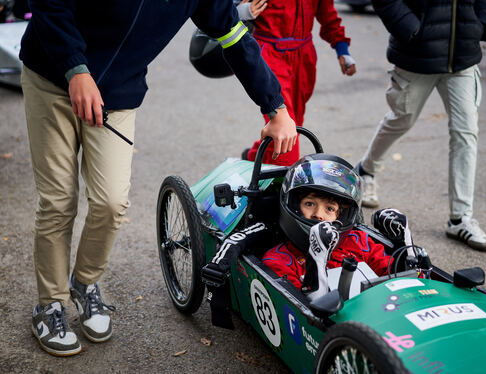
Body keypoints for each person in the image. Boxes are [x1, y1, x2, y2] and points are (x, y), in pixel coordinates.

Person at [20, 0, 296, 357]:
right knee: (58, 200)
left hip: (117, 95)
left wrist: (276, 107)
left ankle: (84, 282)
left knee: (111, 202)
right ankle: (50, 304)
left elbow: (233, 35)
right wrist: (75, 69)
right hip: (52, 76)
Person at [355, 0, 486, 251]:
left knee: (466, 133)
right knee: (401, 119)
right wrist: (412, 29)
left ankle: (460, 218)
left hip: (463, 56)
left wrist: (481, 24)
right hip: (417, 55)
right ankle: (366, 171)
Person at [202, 154, 412, 309]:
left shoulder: (359, 241)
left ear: (341, 216)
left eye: (329, 209)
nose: (319, 215)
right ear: (293, 205)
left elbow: (395, 275)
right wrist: (316, 258)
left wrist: (404, 245)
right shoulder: (279, 258)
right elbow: (305, 311)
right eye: (310, 204)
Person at [239, 0, 357, 166]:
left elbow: (328, 14)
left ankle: (252, 158)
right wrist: (242, 11)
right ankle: (283, 185)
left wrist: (341, 48)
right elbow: (221, 9)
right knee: (284, 129)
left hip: (304, 58)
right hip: (270, 57)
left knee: (292, 125)